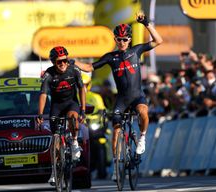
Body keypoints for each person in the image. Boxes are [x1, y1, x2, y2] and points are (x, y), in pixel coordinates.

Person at [74, 11, 163, 181]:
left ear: (129, 40)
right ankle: (116, 166)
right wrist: (72, 62)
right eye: (118, 39)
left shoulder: (136, 51)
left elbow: (159, 41)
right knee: (115, 131)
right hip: (121, 99)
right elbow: (89, 67)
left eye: (125, 39)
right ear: (115, 40)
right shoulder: (110, 57)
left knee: (143, 112)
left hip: (137, 96)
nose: (121, 42)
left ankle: (142, 138)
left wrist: (145, 23)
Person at [36, 46, 86, 185]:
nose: (63, 64)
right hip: (56, 106)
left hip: (71, 103)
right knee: (55, 139)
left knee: (72, 117)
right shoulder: (49, 74)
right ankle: (54, 171)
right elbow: (43, 95)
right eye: (59, 62)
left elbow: (82, 88)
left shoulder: (74, 69)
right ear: (53, 62)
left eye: (65, 60)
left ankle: (75, 142)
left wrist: (82, 109)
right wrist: (39, 114)